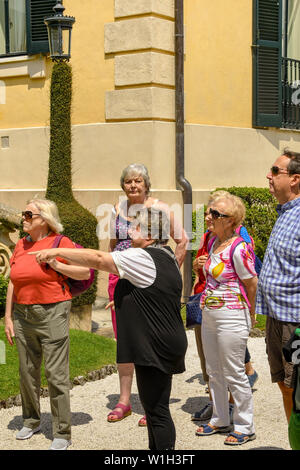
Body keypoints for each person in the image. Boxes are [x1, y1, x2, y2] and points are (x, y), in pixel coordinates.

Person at [30, 207, 188, 450]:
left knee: (157, 411)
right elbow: (156, 292)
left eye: (135, 227)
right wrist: (126, 300)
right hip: (166, 340)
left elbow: (99, 260)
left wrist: (56, 251)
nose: (128, 231)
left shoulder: (142, 256)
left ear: (148, 234)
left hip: (155, 345)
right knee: (156, 408)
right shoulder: (165, 255)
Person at [4, 198, 90, 451]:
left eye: (29, 214)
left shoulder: (60, 243)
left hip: (52, 313)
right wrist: (8, 317)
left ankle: (62, 431)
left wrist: (56, 263)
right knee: (26, 372)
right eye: (24, 214)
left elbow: (85, 273)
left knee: (56, 374)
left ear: (45, 218)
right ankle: (31, 421)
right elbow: (13, 281)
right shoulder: (21, 244)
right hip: (22, 314)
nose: (23, 218)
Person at [107, 163, 187, 426]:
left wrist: (170, 272)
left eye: (138, 181)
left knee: (153, 337)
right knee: (125, 340)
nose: (133, 185)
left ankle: (154, 404)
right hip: (121, 277)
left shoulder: (162, 208)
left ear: (146, 184)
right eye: (128, 181)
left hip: (152, 279)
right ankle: (124, 400)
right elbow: (111, 246)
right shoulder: (116, 210)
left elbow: (183, 240)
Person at [195, 192, 257, 445]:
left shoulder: (239, 247)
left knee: (234, 371)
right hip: (210, 314)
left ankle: (245, 425)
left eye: (215, 214)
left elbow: (251, 282)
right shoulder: (212, 243)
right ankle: (220, 418)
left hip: (232, 315)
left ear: (231, 220)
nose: (208, 217)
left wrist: (251, 313)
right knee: (214, 370)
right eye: (208, 212)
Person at [256, 148, 300, 424]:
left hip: (294, 322)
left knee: (297, 388)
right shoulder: (285, 213)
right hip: (275, 317)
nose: (268, 176)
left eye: (275, 171)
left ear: (295, 179)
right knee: (285, 385)